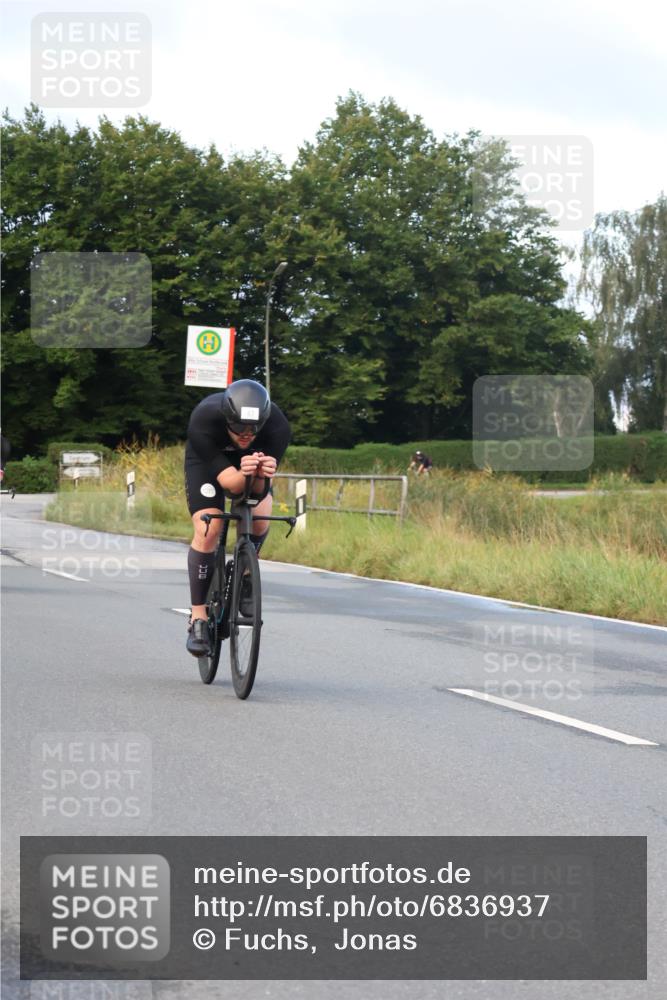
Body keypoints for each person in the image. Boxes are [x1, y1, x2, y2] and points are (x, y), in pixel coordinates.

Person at [184, 379, 291, 657]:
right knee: (210, 526)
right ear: (227, 418)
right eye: (238, 427)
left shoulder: (278, 427)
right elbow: (231, 485)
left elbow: (256, 491)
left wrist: (258, 473)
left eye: (253, 429)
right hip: (210, 464)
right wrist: (243, 473)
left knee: (261, 516)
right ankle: (198, 617)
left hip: (251, 467)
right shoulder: (204, 418)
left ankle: (244, 573)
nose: (246, 434)